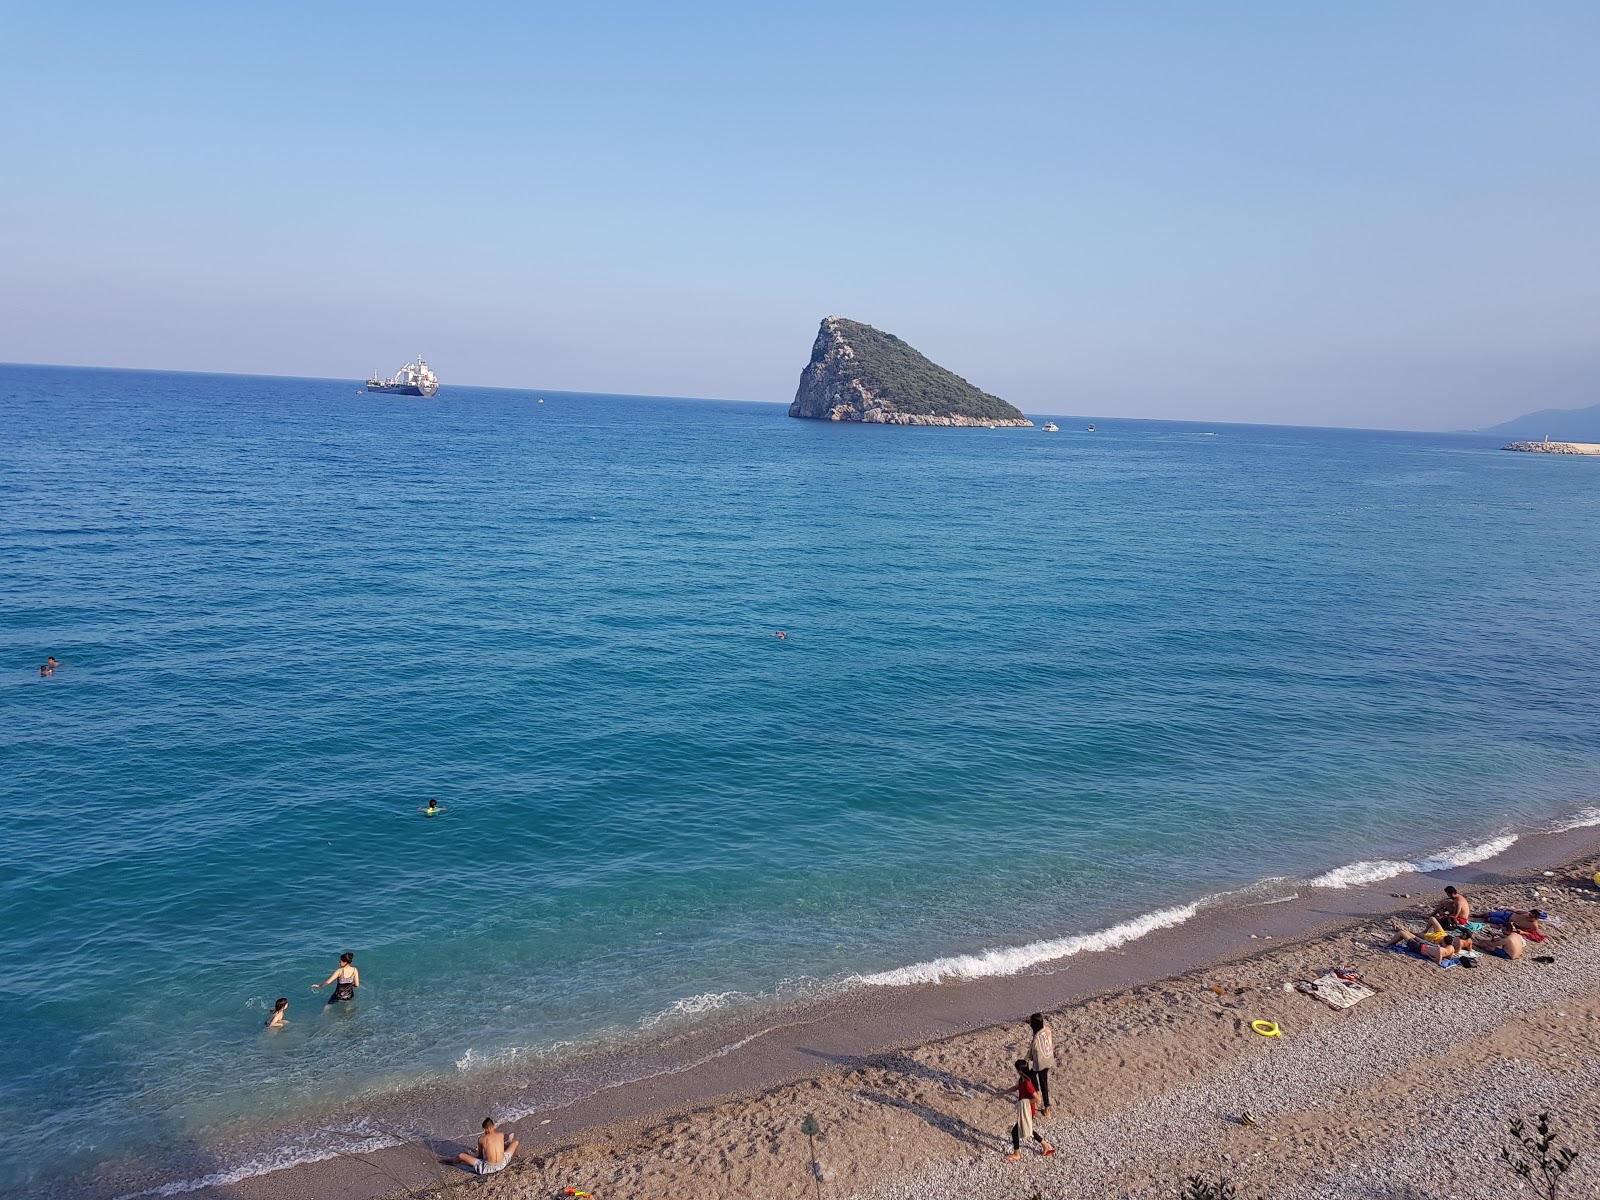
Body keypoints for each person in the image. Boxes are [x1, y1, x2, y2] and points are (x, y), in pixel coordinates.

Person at [995, 1058, 1054, 1161]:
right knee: (1027, 1128)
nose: (1016, 1071)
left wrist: (1024, 1102)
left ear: (1020, 1070)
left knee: (1015, 1131)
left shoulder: (1027, 1083)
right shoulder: (1022, 1079)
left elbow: (1038, 1099)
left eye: (1016, 1069)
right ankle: (1045, 1145)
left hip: (1028, 1110)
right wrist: (1003, 1092)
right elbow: (1016, 1087)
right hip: (1025, 1109)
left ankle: (1017, 1154)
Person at [442, 1117, 518, 1175]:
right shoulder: (501, 1134)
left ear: (484, 1129)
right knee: (516, 1142)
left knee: (461, 1156)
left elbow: (480, 1157)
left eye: (484, 1130)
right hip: (502, 1163)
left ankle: (447, 1160)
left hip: (488, 1168)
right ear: (494, 1126)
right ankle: (508, 1142)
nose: (484, 1131)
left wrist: (471, 1154)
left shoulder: (481, 1139)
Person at [1387, 920, 1464, 964]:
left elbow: (1438, 961)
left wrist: (1428, 955)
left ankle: (1387, 944)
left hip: (1420, 948)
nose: (1441, 943)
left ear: (1445, 943)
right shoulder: (1451, 948)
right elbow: (1449, 958)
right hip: (1424, 945)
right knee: (1411, 935)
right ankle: (1398, 931)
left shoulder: (1440, 950)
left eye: (1442, 942)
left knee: (1402, 934)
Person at [1025, 1012, 1055, 1117]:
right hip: (1048, 1059)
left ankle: (1040, 1099)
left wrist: (1026, 1059)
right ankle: (1045, 1106)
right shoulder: (1047, 1030)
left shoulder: (1036, 1038)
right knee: (1043, 1081)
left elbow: (1031, 1052)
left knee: (1035, 1076)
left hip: (1041, 1062)